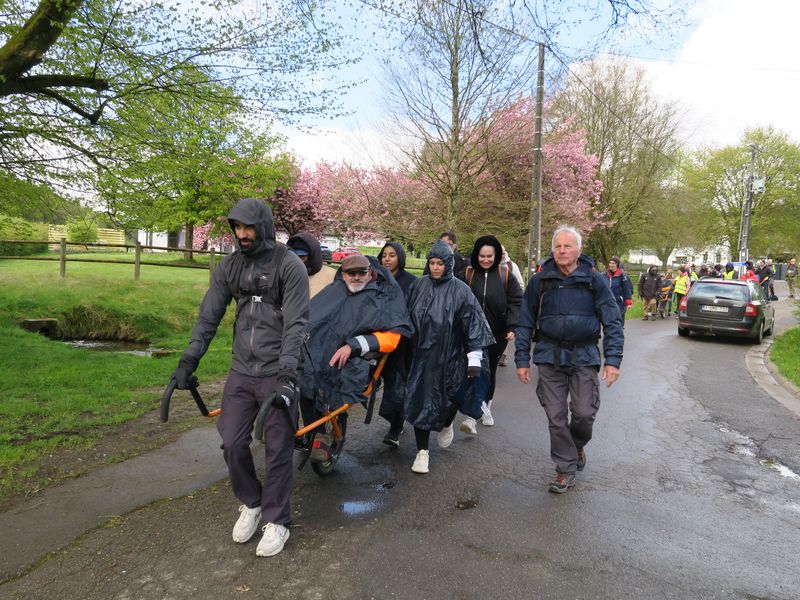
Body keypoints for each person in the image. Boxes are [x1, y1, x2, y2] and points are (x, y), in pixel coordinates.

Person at [171, 198, 309, 557]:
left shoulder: (288, 266)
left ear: (262, 225)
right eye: (237, 227)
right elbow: (209, 316)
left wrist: (288, 374)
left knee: (278, 448)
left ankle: (278, 520)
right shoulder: (230, 267)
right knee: (231, 442)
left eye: (249, 227)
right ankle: (252, 501)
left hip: (278, 372)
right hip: (242, 371)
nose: (243, 234)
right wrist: (189, 359)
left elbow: (296, 325)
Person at [515, 225, 624, 493]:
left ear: (579, 250)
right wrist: (521, 359)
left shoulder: (594, 280)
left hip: (584, 355)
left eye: (568, 246)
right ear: (552, 250)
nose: (562, 251)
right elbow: (525, 321)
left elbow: (612, 321)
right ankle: (565, 468)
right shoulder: (540, 281)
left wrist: (613, 360)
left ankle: (576, 446)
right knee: (555, 415)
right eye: (558, 246)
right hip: (549, 355)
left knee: (584, 414)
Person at [299, 254, 413, 460]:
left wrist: (352, 346)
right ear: (343, 275)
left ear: (370, 273)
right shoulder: (333, 292)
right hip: (322, 350)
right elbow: (310, 320)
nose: (357, 277)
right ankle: (312, 431)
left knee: (335, 378)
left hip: (358, 357)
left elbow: (393, 337)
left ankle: (323, 435)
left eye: (362, 273)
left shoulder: (382, 297)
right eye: (352, 273)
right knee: (300, 372)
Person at [404, 240, 494, 474]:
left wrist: (474, 359)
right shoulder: (418, 287)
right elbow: (405, 317)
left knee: (451, 398)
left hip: (451, 357)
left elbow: (473, 324)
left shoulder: (461, 291)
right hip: (422, 358)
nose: (435, 268)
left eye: (440, 263)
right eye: (432, 263)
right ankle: (422, 452)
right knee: (421, 402)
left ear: (448, 264)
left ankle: (446, 423)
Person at [455, 235, 522, 433]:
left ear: (496, 256)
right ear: (476, 255)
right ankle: (472, 415)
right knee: (473, 370)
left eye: (489, 256)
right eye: (482, 256)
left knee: (489, 371)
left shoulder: (506, 275)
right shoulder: (466, 273)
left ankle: (485, 408)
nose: (485, 260)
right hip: (470, 332)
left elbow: (516, 301)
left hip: (497, 334)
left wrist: (512, 326)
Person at [376, 242, 417, 445]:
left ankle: (395, 426)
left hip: (400, 342)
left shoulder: (411, 282)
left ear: (400, 257)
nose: (387, 259)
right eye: (384, 255)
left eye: (392, 255)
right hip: (375, 338)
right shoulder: (374, 278)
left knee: (396, 385)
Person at [287, 232, 336, 298]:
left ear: (312, 256)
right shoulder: (285, 275)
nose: (298, 260)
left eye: (302, 257)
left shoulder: (332, 276)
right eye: (294, 256)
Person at [604, 256, 633, 325]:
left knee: (618, 321)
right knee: (608, 321)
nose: (611, 265)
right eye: (610, 263)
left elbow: (627, 289)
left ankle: (619, 332)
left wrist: (628, 302)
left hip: (619, 302)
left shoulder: (622, 276)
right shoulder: (604, 275)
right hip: (607, 301)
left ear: (617, 264)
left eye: (613, 263)